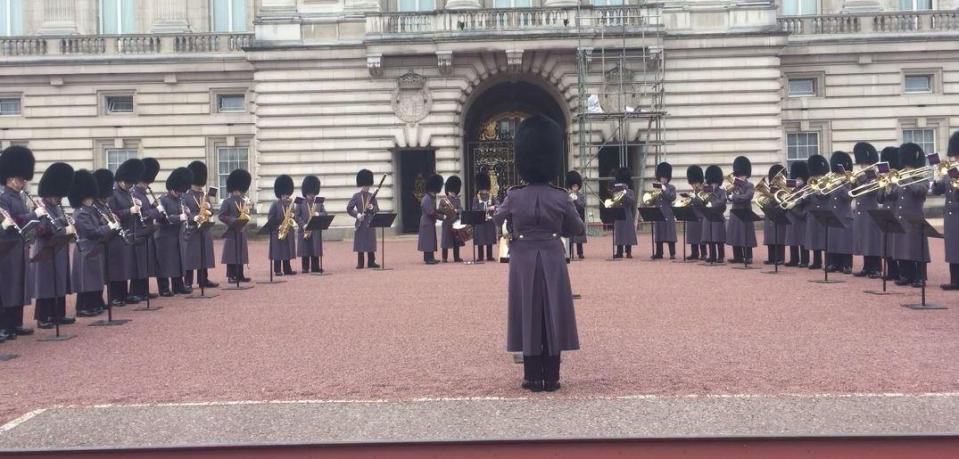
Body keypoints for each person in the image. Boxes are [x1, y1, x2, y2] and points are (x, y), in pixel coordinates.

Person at [492, 115, 585, 392]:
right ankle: (552, 377)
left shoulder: (514, 195)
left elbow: (497, 219)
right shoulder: (560, 196)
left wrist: (510, 229)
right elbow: (577, 228)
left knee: (527, 311)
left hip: (521, 256)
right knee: (553, 312)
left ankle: (532, 377)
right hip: (553, 256)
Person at [0, 146, 39, 339]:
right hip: (6, 248)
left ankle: (15, 322)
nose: (23, 182)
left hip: (19, 246)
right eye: (21, 179)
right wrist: (32, 215)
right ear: (10, 178)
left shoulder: (19, 197)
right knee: (7, 287)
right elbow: (13, 220)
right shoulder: (3, 198)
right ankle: (4, 325)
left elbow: (22, 219)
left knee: (18, 285)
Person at [31, 162, 75, 329]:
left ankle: (58, 314)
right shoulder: (42, 207)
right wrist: (62, 230)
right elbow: (40, 229)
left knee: (59, 280)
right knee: (46, 283)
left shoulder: (57, 208)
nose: (59, 199)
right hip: (45, 249)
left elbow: (60, 225)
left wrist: (68, 226)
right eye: (57, 196)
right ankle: (43, 316)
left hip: (59, 248)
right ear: (49, 194)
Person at [882, 143, 931, 288]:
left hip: (914, 217)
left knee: (917, 249)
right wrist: (889, 188)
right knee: (902, 247)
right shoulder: (901, 179)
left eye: (908, 167)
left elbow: (919, 192)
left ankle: (919, 277)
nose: (906, 169)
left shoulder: (922, 178)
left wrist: (908, 178)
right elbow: (894, 196)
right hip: (900, 217)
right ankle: (906, 275)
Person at [69, 169, 115, 317]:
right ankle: (83, 307)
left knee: (95, 279)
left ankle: (95, 303)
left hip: (94, 248)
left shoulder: (90, 210)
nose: (91, 200)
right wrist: (108, 227)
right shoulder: (81, 212)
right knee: (86, 281)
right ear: (83, 197)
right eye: (89, 198)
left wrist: (107, 221)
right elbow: (91, 231)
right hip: (86, 249)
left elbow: (97, 225)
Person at [107, 158, 144, 305]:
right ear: (121, 180)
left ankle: (124, 294)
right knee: (117, 266)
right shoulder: (112, 193)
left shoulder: (128, 193)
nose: (129, 185)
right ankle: (115, 296)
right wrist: (130, 210)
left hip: (128, 232)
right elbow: (112, 214)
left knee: (125, 265)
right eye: (128, 183)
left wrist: (136, 208)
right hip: (116, 234)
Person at [155, 167, 192, 296]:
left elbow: (186, 216)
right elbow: (161, 218)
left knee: (178, 261)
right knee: (164, 263)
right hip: (164, 236)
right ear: (172, 188)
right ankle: (164, 288)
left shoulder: (181, 199)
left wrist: (188, 213)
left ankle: (178, 286)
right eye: (178, 191)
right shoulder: (163, 200)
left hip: (177, 235)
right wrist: (178, 218)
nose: (180, 193)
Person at [182, 161, 218, 289]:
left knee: (204, 255)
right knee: (190, 256)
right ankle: (188, 281)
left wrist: (209, 208)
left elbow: (212, 211)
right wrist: (193, 217)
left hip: (204, 229)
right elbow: (184, 210)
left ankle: (203, 279)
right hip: (192, 229)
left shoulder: (203, 195)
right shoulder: (185, 195)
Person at [130, 158, 162, 300]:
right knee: (139, 264)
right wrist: (157, 211)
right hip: (139, 231)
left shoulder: (142, 193)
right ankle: (136, 292)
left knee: (145, 263)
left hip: (146, 232)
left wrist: (154, 206)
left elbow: (147, 210)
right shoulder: (135, 194)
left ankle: (143, 290)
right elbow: (143, 214)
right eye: (145, 183)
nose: (147, 185)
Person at [932, 131, 959, 290]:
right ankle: (954, 280)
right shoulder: (951, 171)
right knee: (952, 249)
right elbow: (939, 190)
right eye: (955, 156)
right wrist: (937, 179)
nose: (956, 159)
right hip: (950, 216)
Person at [852, 142, 883, 278]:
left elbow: (872, 192)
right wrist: (854, 180)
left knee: (873, 241)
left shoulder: (874, 176)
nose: (862, 166)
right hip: (861, 212)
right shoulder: (862, 176)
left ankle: (876, 268)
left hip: (871, 212)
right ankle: (867, 266)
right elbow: (853, 192)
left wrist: (861, 177)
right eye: (861, 164)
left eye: (863, 164)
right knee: (864, 241)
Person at [220, 169, 253, 283]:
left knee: (241, 253)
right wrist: (233, 220)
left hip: (241, 230)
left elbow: (246, 213)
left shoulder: (243, 201)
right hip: (232, 230)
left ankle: (240, 274)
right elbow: (221, 215)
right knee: (231, 254)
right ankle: (231, 275)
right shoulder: (227, 201)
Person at [825, 151, 855, 274]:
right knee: (833, 240)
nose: (837, 174)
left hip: (844, 214)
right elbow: (824, 196)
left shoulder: (849, 181)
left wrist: (840, 185)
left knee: (845, 241)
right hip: (833, 214)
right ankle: (833, 263)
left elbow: (849, 197)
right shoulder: (831, 180)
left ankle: (846, 265)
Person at [347, 169, 380, 269]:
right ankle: (360, 262)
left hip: (369, 222)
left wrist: (372, 208)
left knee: (370, 242)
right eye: (366, 184)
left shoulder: (372, 196)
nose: (368, 186)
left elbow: (377, 209)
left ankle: (371, 261)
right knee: (360, 243)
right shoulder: (356, 196)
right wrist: (357, 215)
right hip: (360, 221)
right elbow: (349, 208)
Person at [727, 156, 757, 264]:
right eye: (739, 175)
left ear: (746, 174)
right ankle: (737, 257)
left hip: (745, 212)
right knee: (735, 235)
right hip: (735, 212)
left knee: (746, 235)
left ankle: (748, 257)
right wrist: (729, 194)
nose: (741, 177)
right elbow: (728, 195)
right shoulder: (734, 185)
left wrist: (733, 197)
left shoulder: (749, 185)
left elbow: (747, 197)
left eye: (742, 175)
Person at [877, 147, 901, 281]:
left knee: (895, 244)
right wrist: (883, 186)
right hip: (885, 212)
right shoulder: (886, 179)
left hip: (895, 212)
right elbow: (880, 199)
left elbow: (897, 195)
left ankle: (898, 271)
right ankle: (891, 271)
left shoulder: (899, 179)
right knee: (886, 244)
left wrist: (893, 184)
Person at [804, 154, 830, 270]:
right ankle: (816, 261)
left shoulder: (827, 181)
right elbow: (809, 197)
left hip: (824, 211)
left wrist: (819, 192)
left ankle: (828, 262)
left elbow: (827, 195)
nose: (817, 176)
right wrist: (804, 196)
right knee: (814, 237)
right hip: (813, 212)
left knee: (825, 238)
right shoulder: (810, 181)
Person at [269, 175, 297, 276]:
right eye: (284, 195)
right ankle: (277, 270)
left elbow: (294, 217)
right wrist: (278, 226)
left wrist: (293, 216)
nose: (286, 197)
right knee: (278, 251)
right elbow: (271, 218)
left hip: (287, 230)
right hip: (277, 231)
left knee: (286, 251)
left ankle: (287, 269)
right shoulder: (275, 205)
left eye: (287, 195)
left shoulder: (290, 205)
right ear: (280, 195)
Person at [296, 175, 325, 274]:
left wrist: (318, 214)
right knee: (305, 249)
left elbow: (325, 213)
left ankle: (315, 267)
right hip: (304, 229)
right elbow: (296, 216)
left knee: (315, 248)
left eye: (313, 193)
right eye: (310, 194)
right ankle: (305, 267)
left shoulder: (319, 202)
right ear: (306, 192)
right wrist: (303, 225)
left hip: (315, 229)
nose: (312, 196)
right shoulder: (300, 202)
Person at [784, 160, 810, 267]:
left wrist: (794, 202)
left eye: (799, 179)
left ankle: (804, 260)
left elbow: (805, 200)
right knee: (792, 239)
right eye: (796, 178)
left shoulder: (806, 188)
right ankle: (794, 259)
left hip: (801, 215)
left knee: (802, 239)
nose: (797, 180)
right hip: (792, 217)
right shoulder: (793, 189)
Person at [651, 162, 677, 260]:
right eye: (661, 178)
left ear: (667, 178)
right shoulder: (656, 188)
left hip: (668, 213)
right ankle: (659, 253)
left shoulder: (671, 187)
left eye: (665, 178)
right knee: (659, 233)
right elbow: (653, 200)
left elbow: (671, 197)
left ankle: (672, 253)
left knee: (670, 234)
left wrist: (664, 189)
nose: (663, 179)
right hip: (658, 212)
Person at [762, 164, 787, 265]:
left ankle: (780, 258)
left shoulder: (784, 188)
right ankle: (771, 257)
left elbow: (784, 200)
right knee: (770, 237)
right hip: (769, 213)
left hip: (779, 213)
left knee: (779, 237)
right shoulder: (769, 187)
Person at [473, 171, 500, 262]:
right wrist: (481, 211)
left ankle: (489, 255)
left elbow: (498, 205)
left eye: (485, 189)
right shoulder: (476, 197)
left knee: (489, 238)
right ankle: (480, 256)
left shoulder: (491, 196)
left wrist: (493, 207)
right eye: (482, 189)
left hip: (489, 220)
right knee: (480, 239)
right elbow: (474, 208)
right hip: (480, 220)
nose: (484, 191)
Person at [702, 165, 727, 263]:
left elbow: (722, 201)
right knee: (710, 238)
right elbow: (702, 201)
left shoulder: (721, 192)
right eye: (712, 182)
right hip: (708, 217)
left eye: (715, 183)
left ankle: (721, 256)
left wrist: (712, 204)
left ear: (718, 182)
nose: (714, 184)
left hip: (718, 216)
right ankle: (712, 256)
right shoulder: (706, 191)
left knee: (719, 238)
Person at [418, 174, 444, 265]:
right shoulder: (427, 198)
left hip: (430, 222)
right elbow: (430, 212)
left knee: (431, 240)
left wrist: (442, 211)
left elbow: (434, 210)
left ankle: (431, 257)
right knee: (427, 241)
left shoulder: (431, 197)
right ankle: (428, 258)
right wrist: (442, 217)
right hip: (426, 222)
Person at [612, 167, 637, 258]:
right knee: (619, 232)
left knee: (628, 233)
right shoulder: (616, 191)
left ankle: (628, 251)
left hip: (627, 214)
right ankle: (619, 251)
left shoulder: (630, 192)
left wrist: (625, 194)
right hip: (619, 213)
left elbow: (632, 201)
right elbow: (614, 200)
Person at [441, 175, 465, 263]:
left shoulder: (457, 200)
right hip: (447, 222)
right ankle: (444, 258)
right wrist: (447, 211)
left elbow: (461, 209)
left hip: (455, 222)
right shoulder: (444, 200)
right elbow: (440, 210)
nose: (452, 193)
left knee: (456, 241)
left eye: (453, 192)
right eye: (451, 191)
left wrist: (457, 210)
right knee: (445, 242)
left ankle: (457, 257)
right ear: (448, 191)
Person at [684, 166, 706, 261]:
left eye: (696, 183)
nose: (694, 185)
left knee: (702, 237)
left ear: (700, 181)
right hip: (692, 216)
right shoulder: (692, 192)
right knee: (693, 236)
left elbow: (702, 203)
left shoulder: (704, 191)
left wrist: (694, 197)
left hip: (701, 216)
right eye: (692, 183)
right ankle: (694, 253)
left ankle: (704, 253)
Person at [566, 170, 587, 260]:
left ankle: (580, 253)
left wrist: (576, 200)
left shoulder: (581, 196)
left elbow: (582, 205)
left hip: (579, 216)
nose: (575, 188)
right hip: (570, 217)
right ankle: (569, 252)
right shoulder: (568, 195)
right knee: (570, 237)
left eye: (576, 186)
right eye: (573, 186)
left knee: (579, 237)